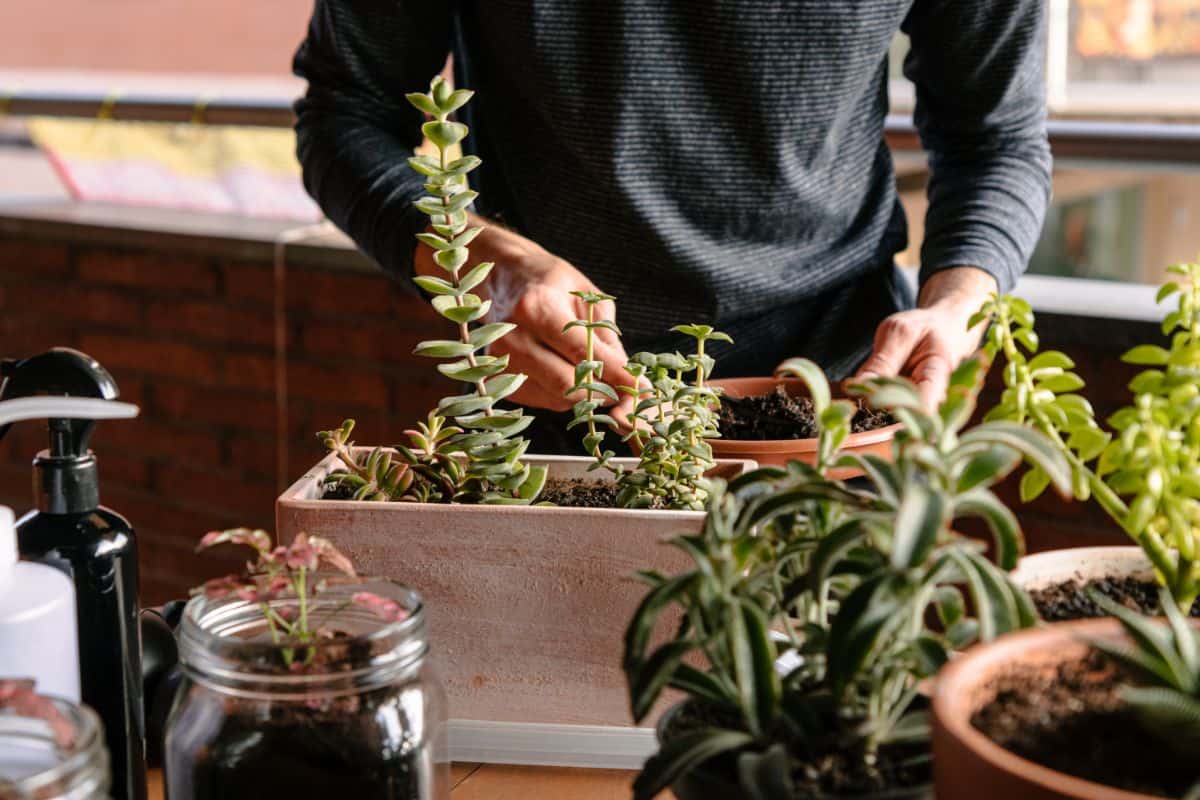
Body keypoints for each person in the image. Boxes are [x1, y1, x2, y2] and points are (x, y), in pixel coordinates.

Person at [292, 1, 1050, 447]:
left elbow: (997, 139)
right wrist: (473, 254)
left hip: (848, 404)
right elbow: (345, 113)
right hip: (556, 394)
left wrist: (957, 307)